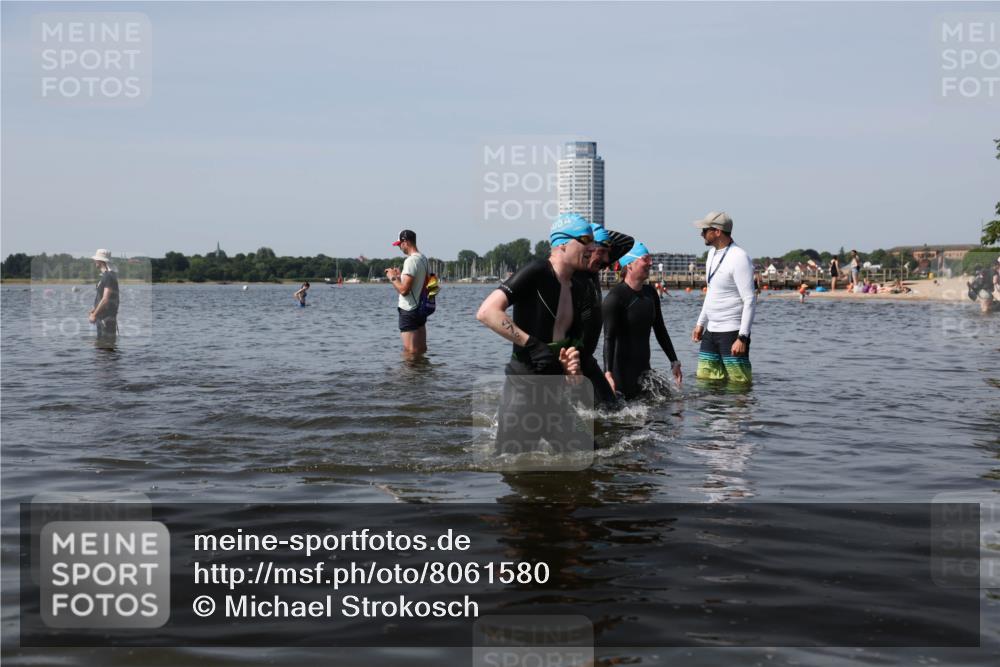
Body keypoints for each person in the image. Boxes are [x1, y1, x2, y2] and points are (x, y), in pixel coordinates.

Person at [476, 214, 596, 455]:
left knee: (590, 457)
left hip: (555, 392)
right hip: (523, 388)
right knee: (514, 469)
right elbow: (487, 312)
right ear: (562, 243)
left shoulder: (580, 287)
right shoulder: (537, 272)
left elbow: (570, 341)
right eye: (585, 240)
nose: (592, 247)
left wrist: (572, 364)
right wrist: (531, 344)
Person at [602, 241, 682, 399]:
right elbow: (608, 338)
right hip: (620, 375)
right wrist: (608, 373)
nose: (650, 263)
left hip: (645, 372)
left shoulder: (650, 294)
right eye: (645, 259)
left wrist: (674, 361)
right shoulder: (615, 298)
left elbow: (660, 329)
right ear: (630, 264)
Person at [691, 212, 756, 384]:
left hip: (732, 332)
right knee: (705, 383)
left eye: (705, 230)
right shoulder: (711, 255)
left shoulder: (739, 257)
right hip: (711, 332)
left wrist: (743, 337)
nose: (701, 234)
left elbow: (749, 299)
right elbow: (711, 292)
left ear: (718, 231)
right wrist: (700, 323)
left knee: (738, 385)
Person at [577, 222, 634, 404]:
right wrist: (590, 237)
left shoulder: (596, 268)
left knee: (611, 407)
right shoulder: (575, 276)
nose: (606, 259)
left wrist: (599, 236)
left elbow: (627, 242)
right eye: (601, 252)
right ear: (587, 249)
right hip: (573, 361)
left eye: (607, 253)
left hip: (587, 359)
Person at [386, 229, 429, 355]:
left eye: (399, 244)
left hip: (409, 310)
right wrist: (400, 278)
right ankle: (422, 374)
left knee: (410, 352)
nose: (399, 247)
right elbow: (417, 284)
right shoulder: (423, 258)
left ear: (406, 242)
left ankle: (408, 375)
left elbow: (404, 290)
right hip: (421, 308)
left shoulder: (410, 261)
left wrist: (392, 277)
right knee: (421, 350)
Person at [88, 249, 119, 349]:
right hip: (103, 319)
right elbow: (101, 297)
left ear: (101, 261)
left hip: (106, 319)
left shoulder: (109, 276)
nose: (94, 262)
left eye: (96, 259)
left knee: (105, 352)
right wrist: (94, 309)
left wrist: (94, 315)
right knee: (102, 351)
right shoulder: (106, 276)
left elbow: (105, 299)